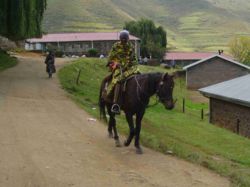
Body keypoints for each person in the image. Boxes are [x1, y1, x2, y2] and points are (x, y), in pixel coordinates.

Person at [105, 30, 140, 114]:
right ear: (120, 38)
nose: (124, 40)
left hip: (130, 68)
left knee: (139, 78)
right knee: (119, 80)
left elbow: (134, 59)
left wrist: (132, 66)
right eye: (122, 38)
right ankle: (115, 104)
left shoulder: (131, 47)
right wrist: (115, 64)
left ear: (128, 38)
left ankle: (139, 102)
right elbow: (110, 59)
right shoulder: (116, 46)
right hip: (118, 68)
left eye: (125, 39)